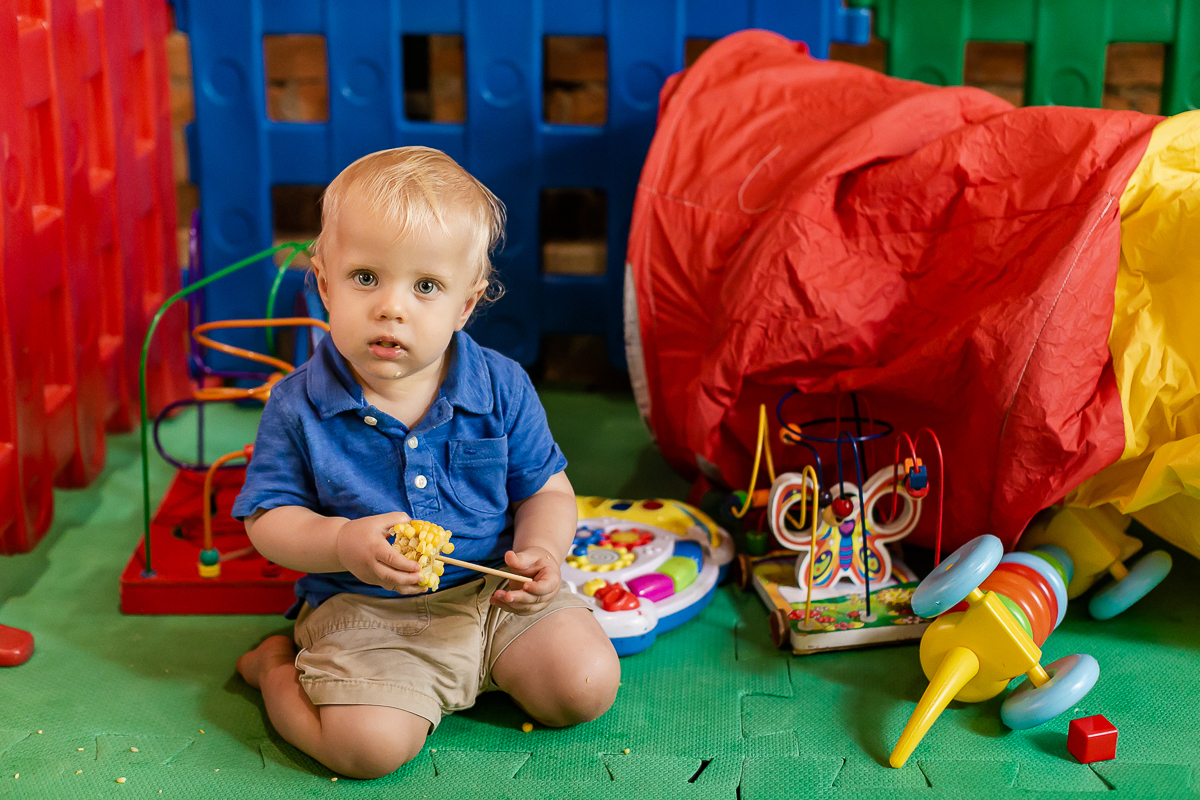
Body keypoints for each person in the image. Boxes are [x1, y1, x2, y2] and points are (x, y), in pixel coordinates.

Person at [232, 147, 620, 779]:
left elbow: (545, 491)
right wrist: (342, 542)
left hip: (494, 596)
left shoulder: (501, 387)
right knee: (367, 750)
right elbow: (267, 519)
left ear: (465, 305)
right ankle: (274, 668)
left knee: (586, 683)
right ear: (324, 284)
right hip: (366, 617)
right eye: (365, 278)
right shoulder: (297, 404)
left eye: (426, 287)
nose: (392, 307)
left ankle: (482, 669)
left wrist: (542, 554)